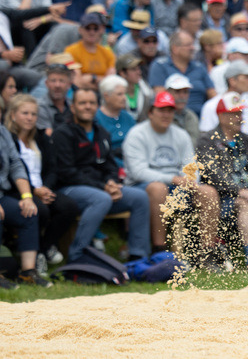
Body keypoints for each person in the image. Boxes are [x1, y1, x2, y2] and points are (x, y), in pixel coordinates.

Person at [53, 88, 150, 263]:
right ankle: (78, 256)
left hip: (100, 189)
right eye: (82, 103)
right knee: (101, 199)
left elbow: (110, 166)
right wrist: (103, 187)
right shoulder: (63, 133)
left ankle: (138, 256)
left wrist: (112, 183)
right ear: (73, 107)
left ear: (97, 107)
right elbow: (67, 172)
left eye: (91, 103)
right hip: (69, 189)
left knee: (140, 197)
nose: (87, 107)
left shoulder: (101, 133)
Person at [196, 91, 248, 273]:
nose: (238, 117)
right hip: (222, 199)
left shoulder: (245, 139)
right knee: (245, 203)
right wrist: (239, 191)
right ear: (221, 116)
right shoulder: (207, 139)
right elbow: (212, 173)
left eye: (240, 113)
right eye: (234, 113)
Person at [122, 91, 204, 255]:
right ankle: (159, 248)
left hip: (176, 183)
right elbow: (138, 172)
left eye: (170, 110)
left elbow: (191, 165)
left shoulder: (181, 134)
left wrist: (190, 180)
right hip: (140, 186)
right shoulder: (136, 134)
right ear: (150, 112)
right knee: (158, 189)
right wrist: (173, 178)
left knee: (207, 192)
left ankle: (206, 252)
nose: (166, 115)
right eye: (161, 110)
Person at [6, 94, 78, 274]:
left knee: (68, 207)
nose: (30, 117)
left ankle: (44, 249)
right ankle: (37, 253)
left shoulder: (41, 138)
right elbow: (9, 174)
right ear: (13, 114)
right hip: (18, 190)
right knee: (40, 210)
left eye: (33, 114)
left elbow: (53, 168)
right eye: (25, 113)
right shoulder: (7, 139)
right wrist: (33, 191)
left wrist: (45, 188)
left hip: (43, 187)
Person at [0, 114, 51, 287]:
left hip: (2, 195)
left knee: (28, 212)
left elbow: (15, 164)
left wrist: (27, 197)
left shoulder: (3, 133)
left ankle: (28, 273)